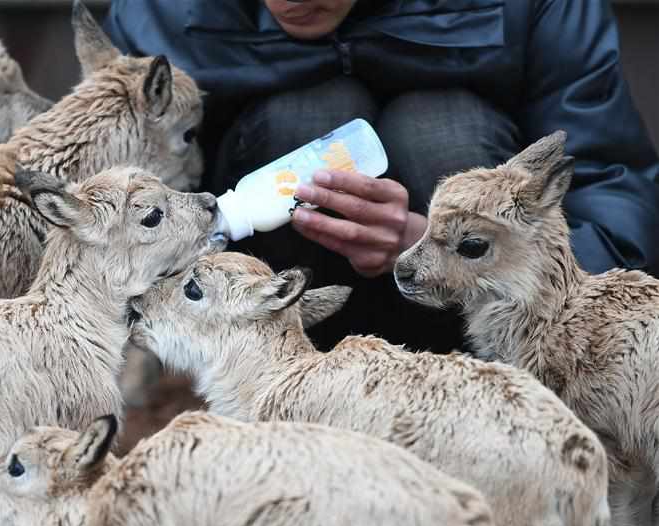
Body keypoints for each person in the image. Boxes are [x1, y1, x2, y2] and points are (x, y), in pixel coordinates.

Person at [104, 0, 659, 352]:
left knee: (438, 127)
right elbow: (109, 220)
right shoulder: (161, 13)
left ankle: (476, 408)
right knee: (309, 120)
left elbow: (611, 199)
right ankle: (285, 405)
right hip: (272, 326)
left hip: (487, 322)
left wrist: (450, 247)